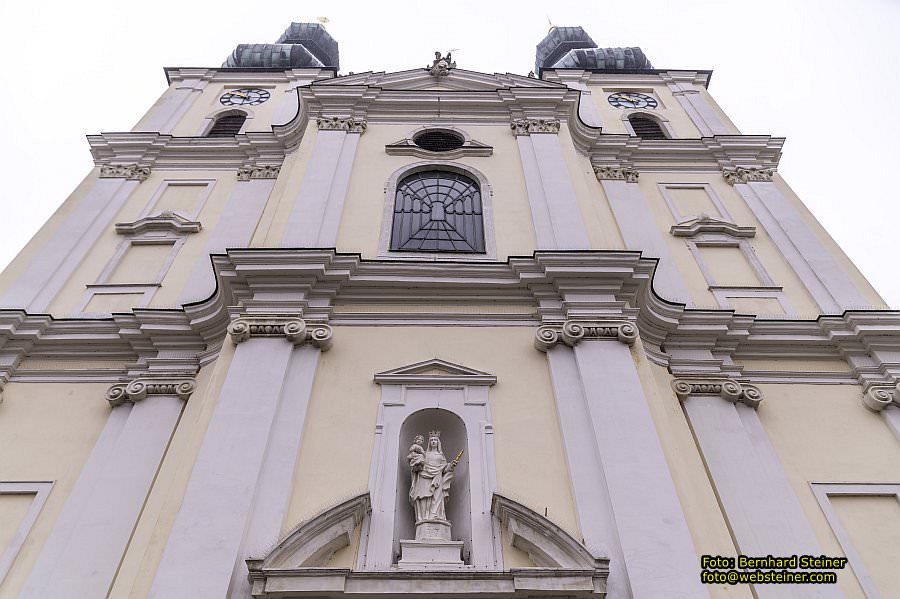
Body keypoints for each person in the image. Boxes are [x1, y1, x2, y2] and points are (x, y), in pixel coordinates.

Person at [408, 431, 458, 523]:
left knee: (437, 498)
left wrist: (451, 466)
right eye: (431, 440)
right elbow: (417, 464)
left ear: (438, 442)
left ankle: (435, 516)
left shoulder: (441, 456)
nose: (433, 441)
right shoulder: (425, 454)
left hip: (437, 479)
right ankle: (424, 518)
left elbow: (444, 469)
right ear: (429, 443)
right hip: (424, 477)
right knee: (424, 497)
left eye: (435, 440)